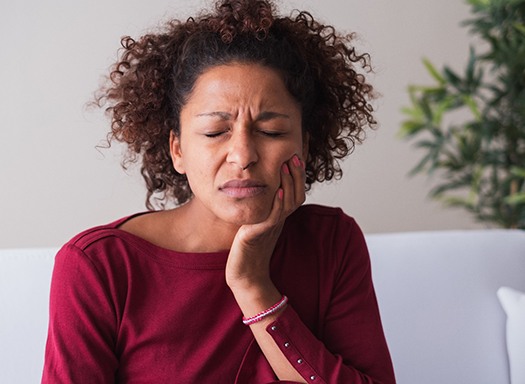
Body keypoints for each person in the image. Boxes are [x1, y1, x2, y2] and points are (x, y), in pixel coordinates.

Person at [42, 0, 396, 383]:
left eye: (271, 131)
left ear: (305, 147)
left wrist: (253, 285)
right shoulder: (100, 268)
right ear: (177, 149)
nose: (242, 156)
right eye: (215, 132)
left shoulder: (331, 242)